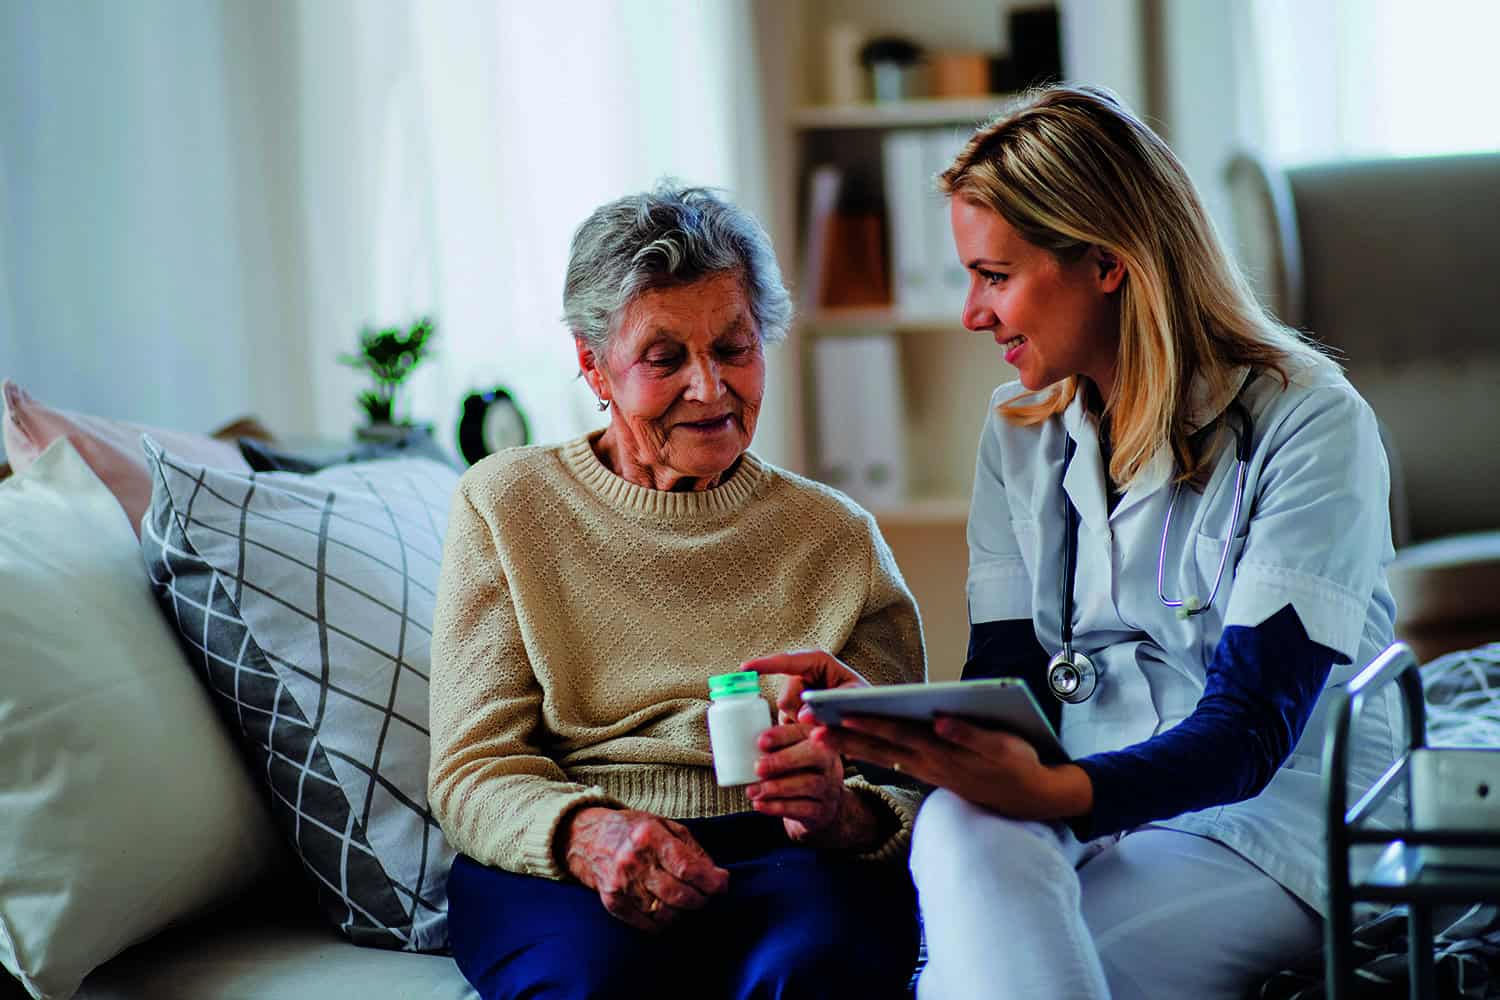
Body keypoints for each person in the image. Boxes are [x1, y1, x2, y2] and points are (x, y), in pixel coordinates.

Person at [747, 85, 1399, 999]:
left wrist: (1053, 796)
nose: (972, 313)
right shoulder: (1019, 429)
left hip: (1255, 824)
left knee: (1018, 969)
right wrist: (889, 722)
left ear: (1106, 262)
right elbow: (1010, 681)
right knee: (958, 830)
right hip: (1078, 801)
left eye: (995, 276)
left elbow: (1248, 735)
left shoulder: (1310, 422)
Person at [427, 183, 925, 1000]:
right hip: (576, 849)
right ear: (593, 365)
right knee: (591, 985)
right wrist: (588, 832)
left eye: (734, 348)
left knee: (818, 976)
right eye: (664, 360)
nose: (710, 388)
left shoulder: (837, 537)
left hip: (790, 852)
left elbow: (908, 780)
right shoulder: (505, 504)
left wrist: (844, 813)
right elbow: (474, 766)